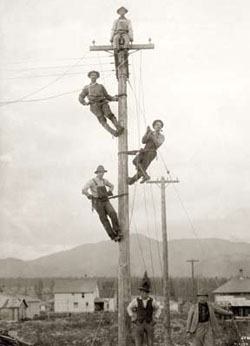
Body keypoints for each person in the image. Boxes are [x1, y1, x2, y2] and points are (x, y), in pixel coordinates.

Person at [82, 165, 122, 242]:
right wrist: (89, 195)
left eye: (103, 172)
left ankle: (118, 231)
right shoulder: (92, 181)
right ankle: (113, 236)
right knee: (104, 220)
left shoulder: (104, 181)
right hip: (97, 203)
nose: (102, 174)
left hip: (106, 200)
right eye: (100, 172)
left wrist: (110, 191)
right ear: (97, 172)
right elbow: (84, 190)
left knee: (113, 213)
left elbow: (111, 186)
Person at [78, 71, 124, 137]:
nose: (93, 76)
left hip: (103, 102)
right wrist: (85, 103)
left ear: (97, 77)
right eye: (92, 75)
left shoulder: (100, 86)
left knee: (109, 115)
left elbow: (107, 96)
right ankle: (113, 132)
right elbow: (80, 97)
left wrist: (114, 99)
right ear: (89, 77)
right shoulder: (86, 87)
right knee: (102, 120)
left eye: (95, 75)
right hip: (94, 105)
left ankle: (118, 127)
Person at [127, 272, 162, 346]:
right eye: (142, 292)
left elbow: (159, 308)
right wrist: (133, 317)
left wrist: (156, 317)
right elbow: (129, 308)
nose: (144, 294)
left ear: (148, 293)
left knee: (150, 343)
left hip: (149, 324)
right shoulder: (136, 300)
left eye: (146, 292)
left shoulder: (152, 301)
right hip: (139, 324)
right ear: (140, 292)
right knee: (139, 343)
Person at [128, 120, 165, 185]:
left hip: (151, 152)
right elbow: (143, 141)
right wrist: (147, 132)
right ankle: (145, 176)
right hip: (144, 150)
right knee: (135, 161)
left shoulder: (162, 136)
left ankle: (132, 180)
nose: (158, 126)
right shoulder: (151, 133)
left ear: (161, 127)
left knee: (143, 167)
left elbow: (158, 144)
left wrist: (152, 136)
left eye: (160, 125)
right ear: (154, 126)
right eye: (157, 125)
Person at [110, 7, 133, 78]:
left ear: (125, 12)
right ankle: (116, 51)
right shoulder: (116, 21)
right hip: (117, 33)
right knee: (116, 40)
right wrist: (111, 37)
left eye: (123, 11)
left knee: (126, 42)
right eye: (120, 11)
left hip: (125, 33)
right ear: (119, 12)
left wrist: (131, 37)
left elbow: (130, 29)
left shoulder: (128, 21)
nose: (122, 12)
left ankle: (125, 52)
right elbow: (113, 29)